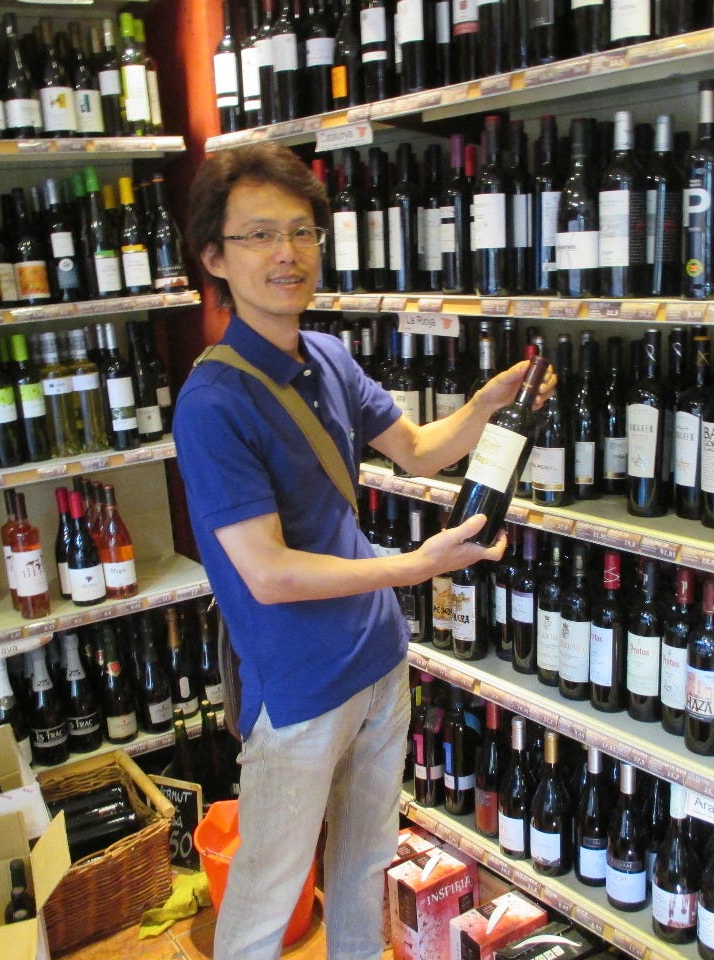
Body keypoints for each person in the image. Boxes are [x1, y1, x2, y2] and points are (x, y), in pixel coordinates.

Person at [174, 142, 555, 960]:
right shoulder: (212, 403)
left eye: (301, 232)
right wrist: (418, 567)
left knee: (363, 870)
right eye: (259, 235)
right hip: (300, 688)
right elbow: (269, 573)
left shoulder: (329, 356)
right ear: (214, 257)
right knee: (267, 898)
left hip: (380, 660)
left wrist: (485, 405)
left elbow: (418, 448)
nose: (287, 253)